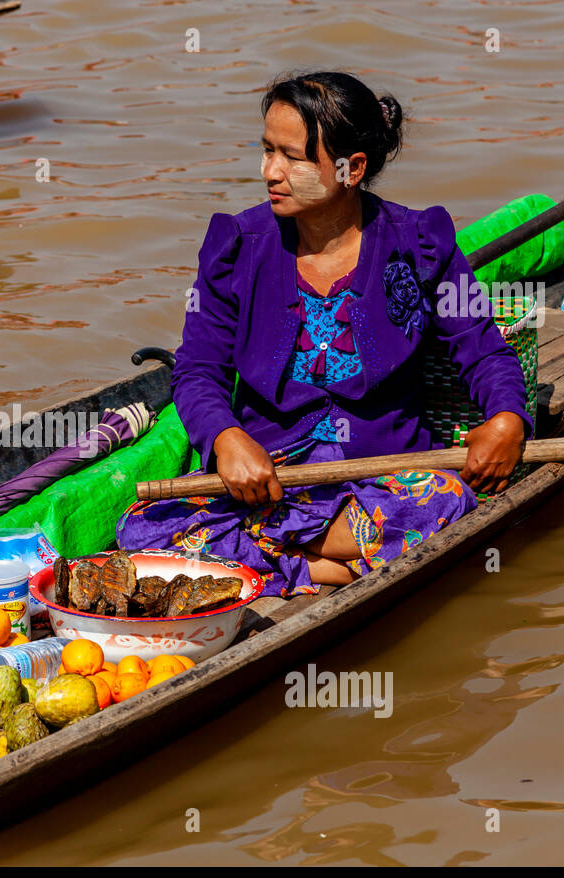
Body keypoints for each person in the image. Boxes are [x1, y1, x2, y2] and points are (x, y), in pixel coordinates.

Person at [116, 71, 531, 597]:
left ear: (350, 168)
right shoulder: (235, 248)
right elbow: (199, 369)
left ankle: (275, 565)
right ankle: (337, 567)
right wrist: (226, 438)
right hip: (269, 485)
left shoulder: (420, 243)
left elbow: (482, 348)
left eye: (292, 157)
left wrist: (509, 419)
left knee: (443, 500)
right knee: (142, 528)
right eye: (267, 151)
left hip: (387, 478)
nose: (270, 171)